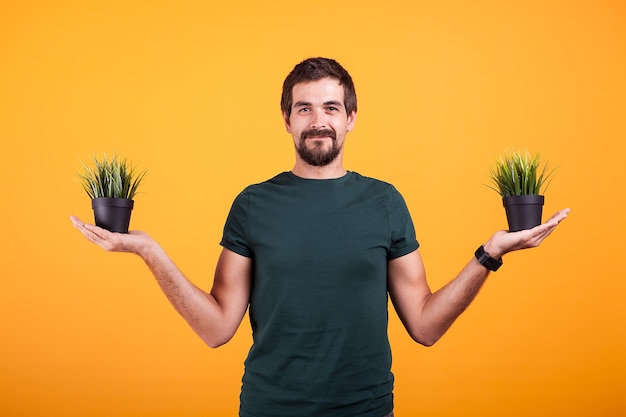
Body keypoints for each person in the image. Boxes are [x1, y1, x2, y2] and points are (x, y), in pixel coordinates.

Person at [70, 57, 569, 417]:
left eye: (331, 108)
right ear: (286, 120)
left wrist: (491, 253)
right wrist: (148, 250)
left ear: (350, 119)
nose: (318, 121)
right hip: (270, 408)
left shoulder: (385, 202)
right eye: (304, 109)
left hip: (366, 410)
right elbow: (217, 328)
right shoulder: (252, 204)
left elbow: (425, 325)